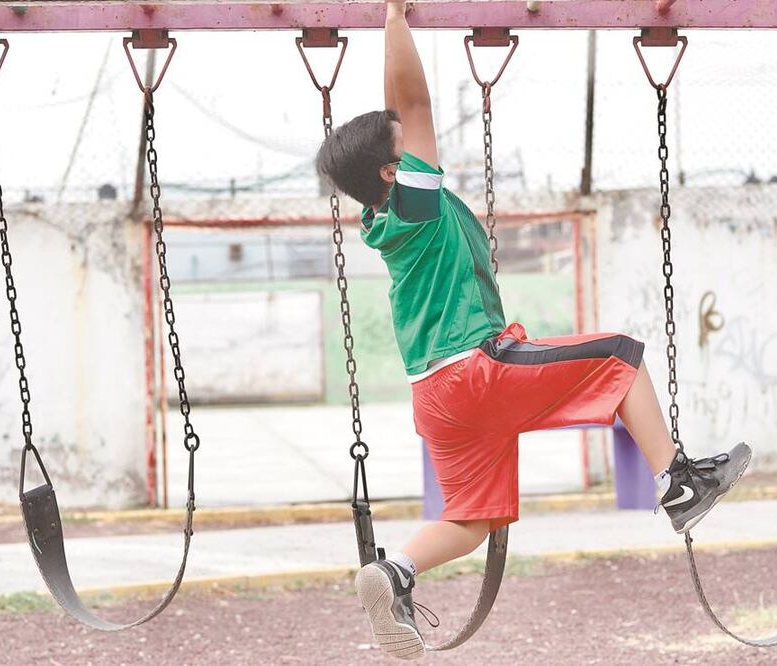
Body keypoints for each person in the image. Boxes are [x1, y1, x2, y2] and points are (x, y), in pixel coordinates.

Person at [314, 3, 751, 660]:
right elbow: (414, 104)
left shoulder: (385, 221)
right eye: (403, 146)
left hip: (434, 397)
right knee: (621, 358)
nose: (418, 142)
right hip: (473, 369)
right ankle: (678, 482)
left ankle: (394, 571)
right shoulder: (417, 202)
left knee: (469, 519)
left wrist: (390, 32)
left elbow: (399, 111)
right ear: (389, 172)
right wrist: (395, 18)